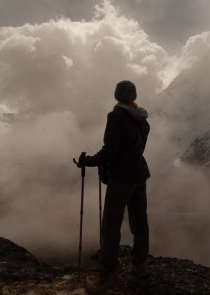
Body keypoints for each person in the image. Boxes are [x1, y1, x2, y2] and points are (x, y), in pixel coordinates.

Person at [76, 80, 151, 293]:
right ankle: (139, 268)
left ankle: (108, 276)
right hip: (139, 174)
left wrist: (89, 161)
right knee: (139, 222)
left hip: (122, 178)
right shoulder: (142, 120)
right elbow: (133, 148)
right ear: (133, 96)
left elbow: (110, 150)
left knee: (110, 226)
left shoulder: (116, 116)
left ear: (117, 95)